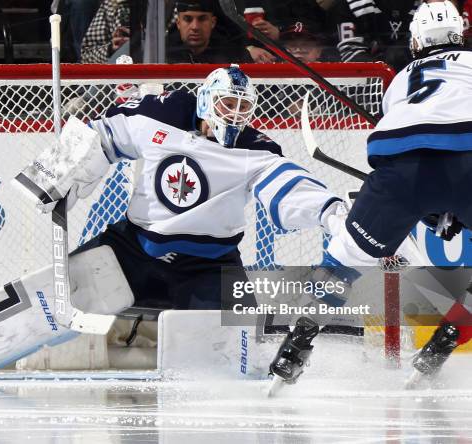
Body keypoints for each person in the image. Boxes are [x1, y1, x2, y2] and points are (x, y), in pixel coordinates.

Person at [0, 64, 349, 380]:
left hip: (211, 267)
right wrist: (58, 171)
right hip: (132, 251)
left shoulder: (257, 150)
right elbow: (103, 136)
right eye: (227, 103)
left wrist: (332, 213)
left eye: (242, 106)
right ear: (206, 101)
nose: (234, 114)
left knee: (234, 360)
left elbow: (289, 185)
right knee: (48, 303)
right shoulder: (159, 115)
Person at [269, 1, 472, 385]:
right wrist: (449, 206)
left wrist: (432, 207)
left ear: (415, 39)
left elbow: (422, 151)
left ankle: (295, 347)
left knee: (342, 262)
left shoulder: (399, 80)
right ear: (459, 35)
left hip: (398, 174)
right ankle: (447, 340)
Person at [328, 0, 419, 71]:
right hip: (369, 87)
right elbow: (351, 57)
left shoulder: (427, 5)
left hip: (416, 78)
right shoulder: (350, 4)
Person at [166, 1, 254, 63]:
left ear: (213, 22)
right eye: (188, 19)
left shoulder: (235, 57)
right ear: (178, 23)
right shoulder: (163, 56)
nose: (195, 27)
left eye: (202, 19)